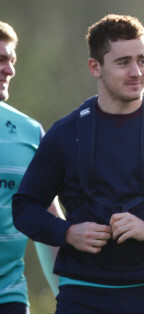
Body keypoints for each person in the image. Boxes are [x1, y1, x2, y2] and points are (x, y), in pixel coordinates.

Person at [12, 14, 144, 313]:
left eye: (143, 59)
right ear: (95, 67)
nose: (136, 71)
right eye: (123, 62)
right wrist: (67, 233)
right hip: (81, 294)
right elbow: (24, 208)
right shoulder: (66, 133)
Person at [1, 21, 63, 313]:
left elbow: (49, 224)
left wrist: (70, 299)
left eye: (12, 60)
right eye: (2, 59)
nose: (10, 70)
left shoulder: (29, 132)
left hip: (9, 296)